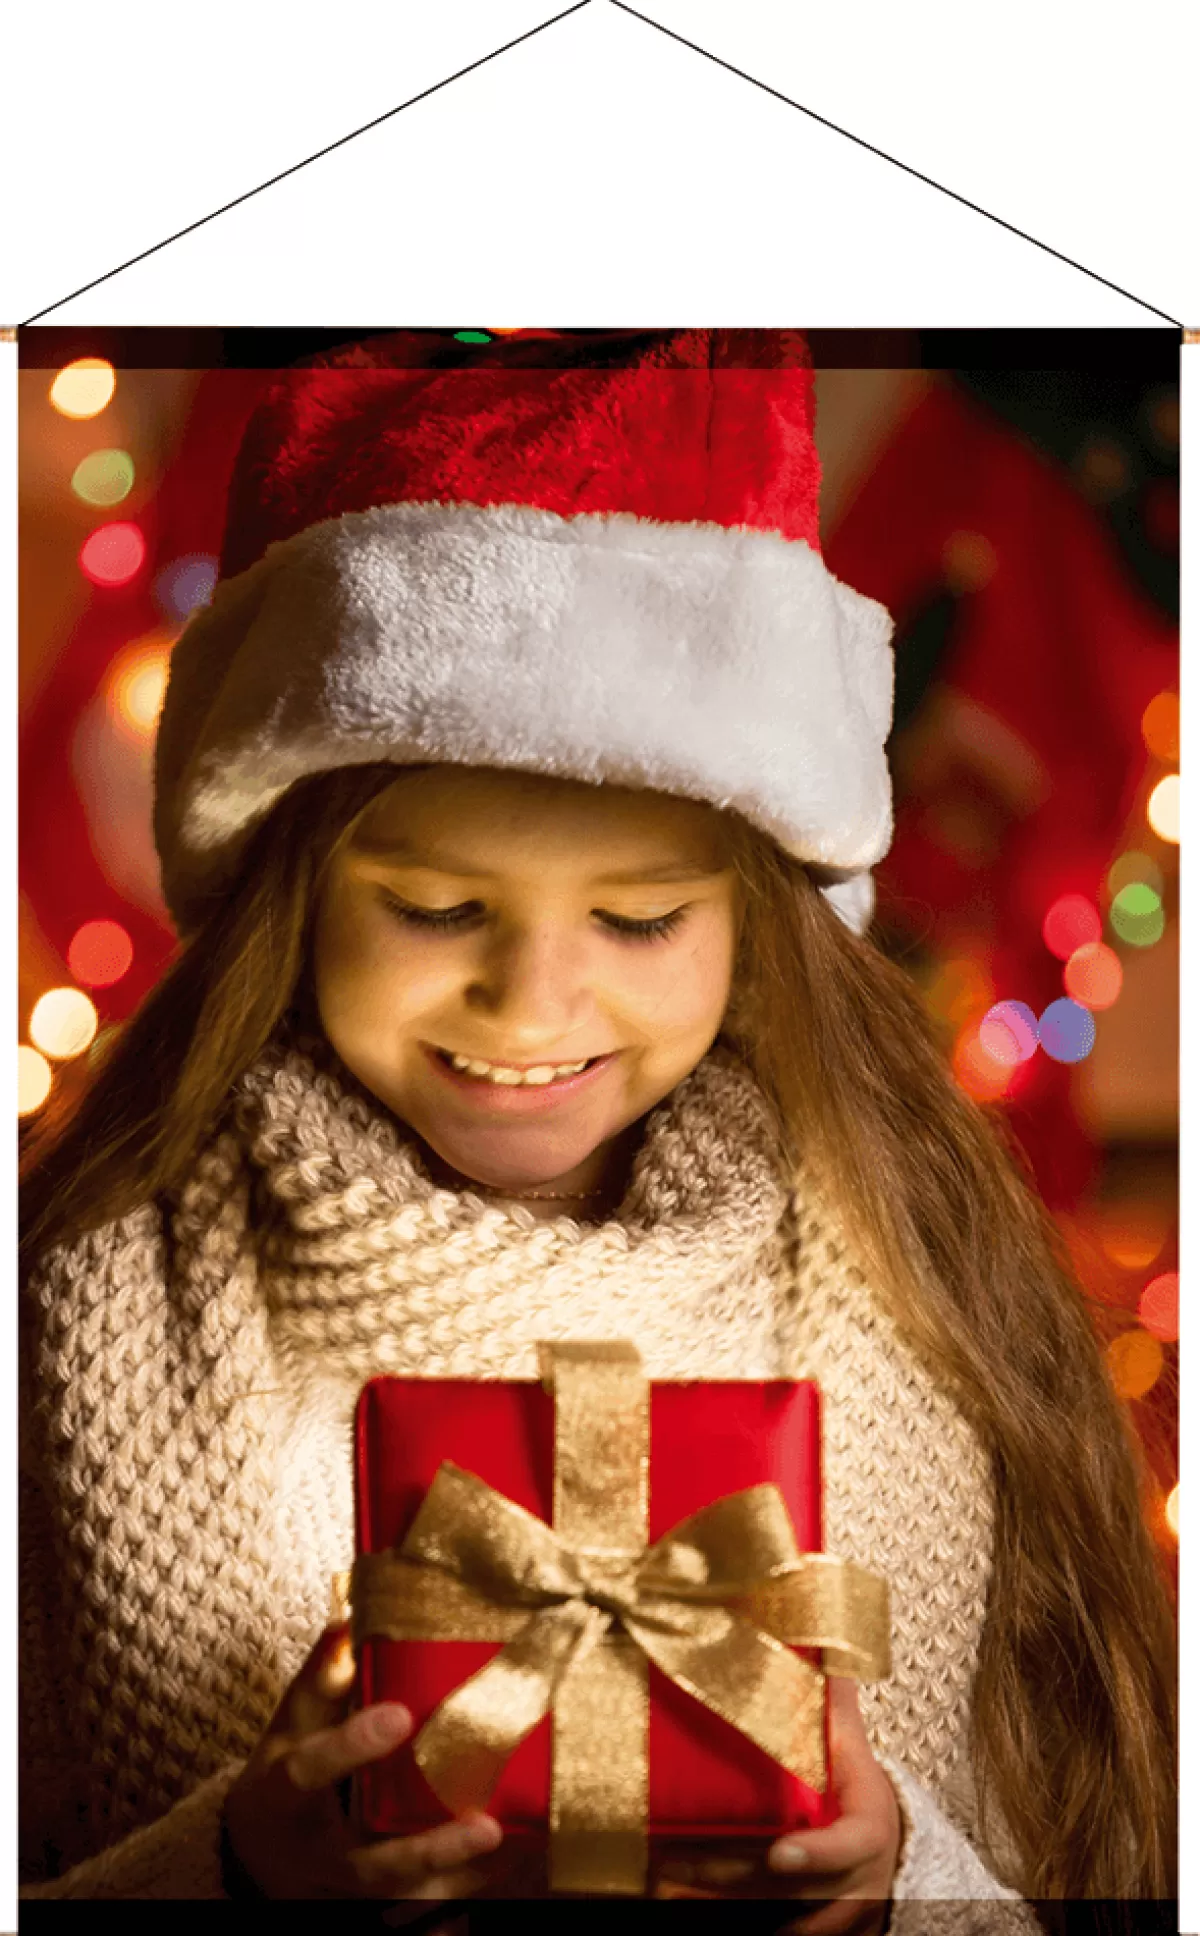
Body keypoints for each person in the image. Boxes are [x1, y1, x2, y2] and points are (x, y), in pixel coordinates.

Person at [18, 328, 1176, 1920]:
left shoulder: (894, 1301)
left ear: (759, 920)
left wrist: (891, 1880)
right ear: (289, 892)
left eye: (638, 921)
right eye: (433, 906)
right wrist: (232, 1875)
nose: (532, 1005)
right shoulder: (93, 1311)